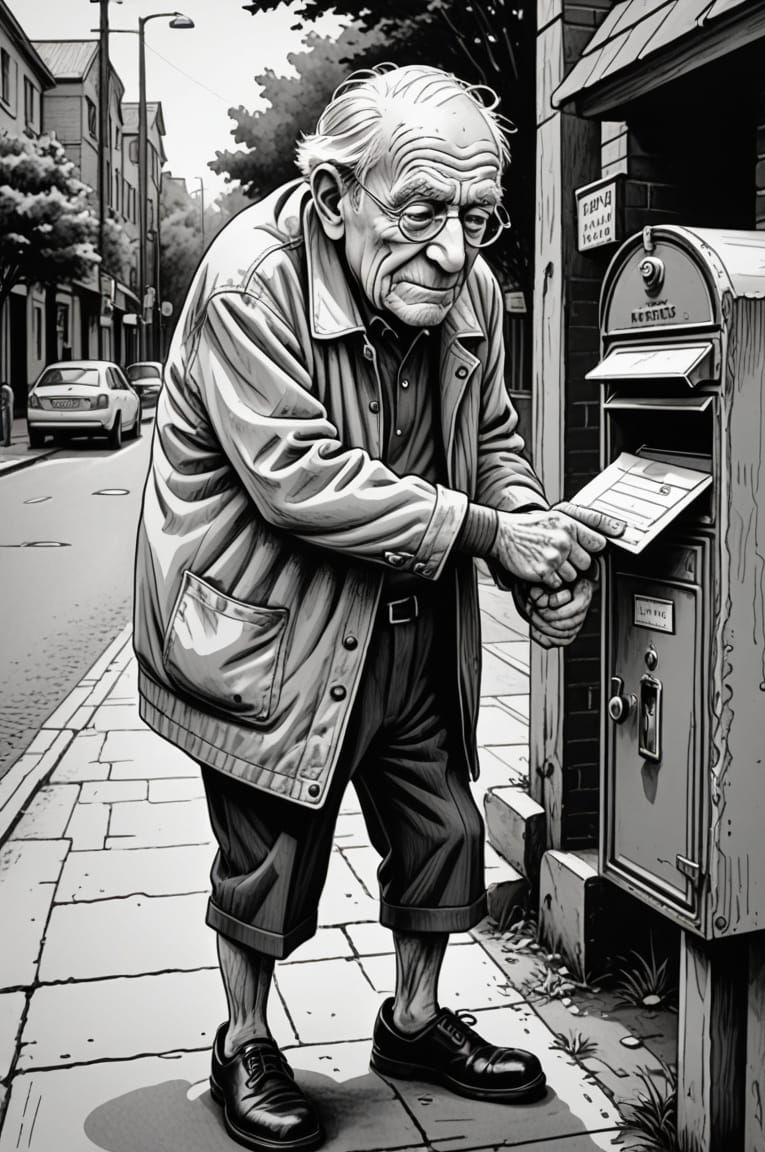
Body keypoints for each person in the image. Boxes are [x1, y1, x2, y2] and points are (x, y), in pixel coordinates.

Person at [133, 63, 623, 1152]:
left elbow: (491, 440)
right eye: (419, 212)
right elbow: (296, 476)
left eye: (477, 218)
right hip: (274, 628)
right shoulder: (246, 284)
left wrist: (532, 548)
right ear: (330, 200)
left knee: (441, 830)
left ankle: (409, 1023)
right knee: (270, 851)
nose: (452, 251)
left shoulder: (470, 289)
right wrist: (493, 537)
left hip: (411, 622)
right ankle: (244, 1042)